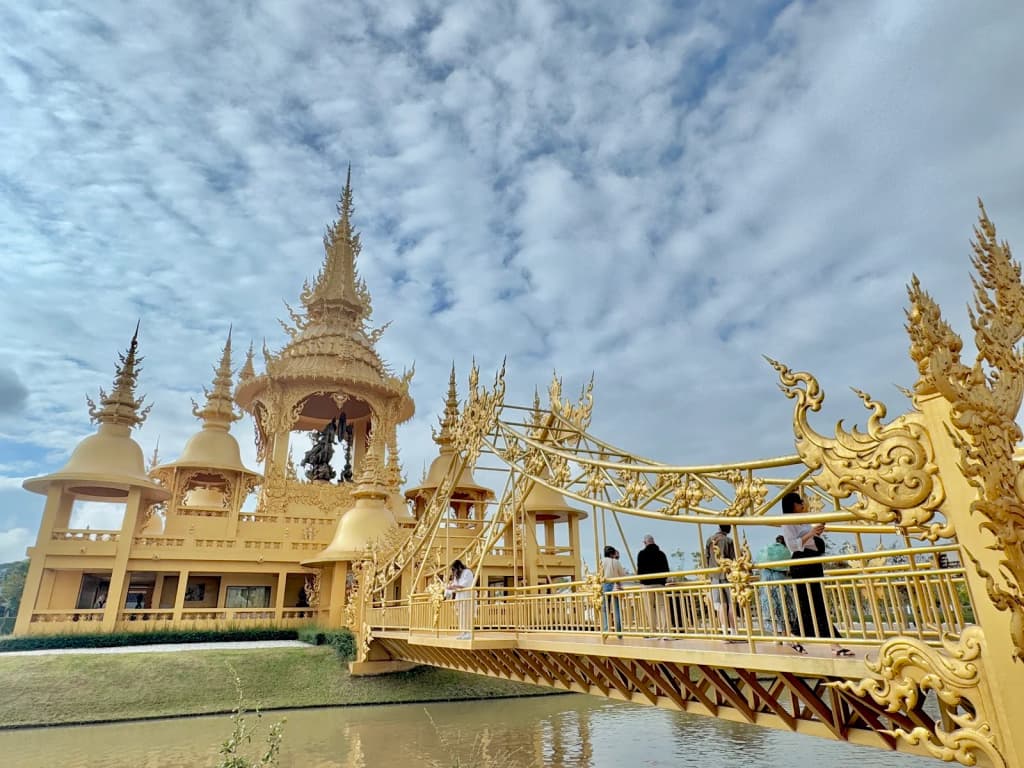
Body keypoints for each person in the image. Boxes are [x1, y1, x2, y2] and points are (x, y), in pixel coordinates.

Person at [780, 492, 853, 657]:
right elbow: (794, 545)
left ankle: (795, 637)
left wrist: (816, 532)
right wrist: (811, 533)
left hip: (812, 562)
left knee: (814, 603)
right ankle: (833, 644)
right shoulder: (786, 522)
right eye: (799, 503)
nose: (802, 505)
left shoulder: (802, 520)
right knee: (810, 603)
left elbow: (809, 539)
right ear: (791, 505)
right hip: (802, 563)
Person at [756, 534, 796, 642]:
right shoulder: (785, 552)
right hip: (780, 582)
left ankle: (777, 637)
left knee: (770, 609)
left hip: (766, 582)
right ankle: (786, 635)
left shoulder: (768, 550)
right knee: (784, 609)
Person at [705, 524, 738, 640]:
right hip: (728, 575)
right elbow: (735, 559)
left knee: (721, 605)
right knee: (731, 604)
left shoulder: (710, 540)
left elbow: (707, 558)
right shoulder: (728, 540)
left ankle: (724, 631)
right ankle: (734, 631)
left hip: (715, 576)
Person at [637, 534, 670, 638]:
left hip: (647, 585)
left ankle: (653, 631)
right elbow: (666, 569)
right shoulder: (661, 554)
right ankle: (665, 631)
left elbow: (640, 571)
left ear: (645, 543)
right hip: (660, 584)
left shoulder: (641, 554)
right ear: (654, 542)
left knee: (649, 607)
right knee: (662, 607)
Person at [601, 545, 626, 635]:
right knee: (617, 609)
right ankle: (619, 632)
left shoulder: (602, 561)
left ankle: (606, 629)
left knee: (605, 609)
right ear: (613, 553)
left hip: (605, 585)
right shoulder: (616, 562)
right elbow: (623, 575)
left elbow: (600, 575)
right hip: (616, 585)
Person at [447, 559, 475, 639]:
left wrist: (454, 586)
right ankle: (463, 632)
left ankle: (469, 633)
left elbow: (465, 584)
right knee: (461, 615)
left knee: (467, 614)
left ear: (459, 567)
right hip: (460, 597)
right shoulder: (457, 575)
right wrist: (450, 587)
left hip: (467, 596)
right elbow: (455, 584)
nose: (454, 572)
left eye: (454, 569)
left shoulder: (467, 572)